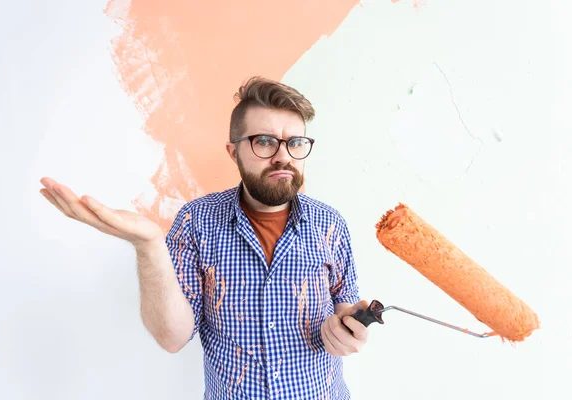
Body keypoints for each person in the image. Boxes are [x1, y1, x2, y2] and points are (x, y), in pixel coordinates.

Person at [40, 76, 369, 399]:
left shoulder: (330, 223)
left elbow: (345, 311)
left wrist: (347, 332)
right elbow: (172, 337)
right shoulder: (196, 221)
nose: (283, 156)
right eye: (265, 141)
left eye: (295, 142)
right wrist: (149, 246)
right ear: (233, 151)